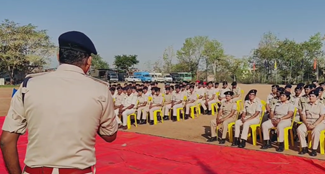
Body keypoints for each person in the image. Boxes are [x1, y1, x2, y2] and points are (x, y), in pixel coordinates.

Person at [0, 31, 118, 174]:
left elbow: (6, 140)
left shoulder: (28, 85)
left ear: (58, 57)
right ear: (89, 61)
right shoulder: (100, 90)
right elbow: (109, 135)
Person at [297, 90, 325, 156]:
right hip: (308, 121)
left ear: (317, 97)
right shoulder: (306, 105)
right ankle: (304, 147)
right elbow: (303, 115)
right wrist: (306, 124)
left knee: (316, 131)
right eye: (310, 96)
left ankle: (314, 149)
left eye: (313, 96)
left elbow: (322, 117)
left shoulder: (321, 105)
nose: (311, 97)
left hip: (319, 122)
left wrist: (314, 125)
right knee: (299, 129)